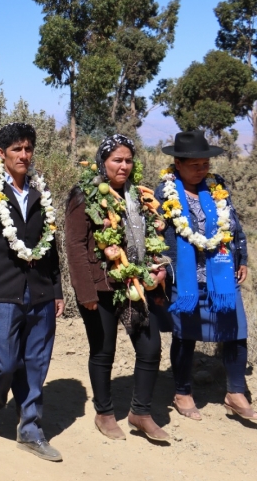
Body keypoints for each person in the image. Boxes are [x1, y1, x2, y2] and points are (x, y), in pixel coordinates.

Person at [0, 122, 64, 462]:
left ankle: (30, 428)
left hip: (40, 292)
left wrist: (57, 289)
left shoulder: (39, 190)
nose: (24, 155)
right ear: (1, 153)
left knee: (36, 362)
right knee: (4, 364)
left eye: (28, 148)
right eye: (17, 149)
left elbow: (51, 246)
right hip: (2, 291)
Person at [65, 134, 170, 442]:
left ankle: (140, 412)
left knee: (150, 349)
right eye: (116, 160)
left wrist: (156, 275)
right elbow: (74, 245)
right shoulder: (83, 195)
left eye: (128, 160)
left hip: (134, 284)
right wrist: (84, 292)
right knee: (103, 350)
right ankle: (105, 412)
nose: (123, 166)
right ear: (103, 162)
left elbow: (149, 238)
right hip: (100, 287)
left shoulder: (138, 196)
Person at [155, 130, 253, 423]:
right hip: (185, 276)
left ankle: (235, 393)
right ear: (178, 164)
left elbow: (233, 224)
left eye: (205, 164)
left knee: (236, 331)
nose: (202, 170)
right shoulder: (164, 193)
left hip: (220, 274)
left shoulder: (216, 186)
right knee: (185, 335)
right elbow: (157, 236)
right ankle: (182, 391)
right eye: (195, 165)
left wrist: (242, 257)